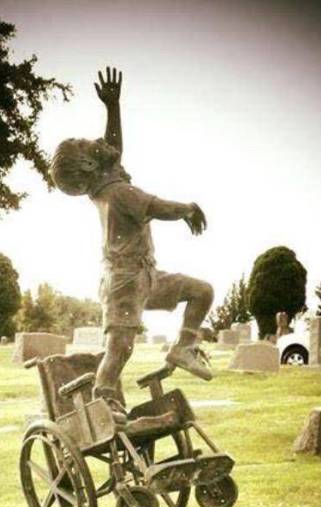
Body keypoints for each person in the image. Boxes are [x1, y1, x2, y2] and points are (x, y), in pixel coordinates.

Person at [50, 67, 214, 413]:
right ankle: (104, 400)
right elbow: (157, 207)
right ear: (89, 165)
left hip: (144, 276)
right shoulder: (119, 194)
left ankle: (183, 348)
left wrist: (113, 107)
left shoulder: (105, 186)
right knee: (119, 349)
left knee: (202, 291)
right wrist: (188, 209)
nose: (95, 141)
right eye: (85, 144)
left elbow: (112, 150)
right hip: (125, 283)